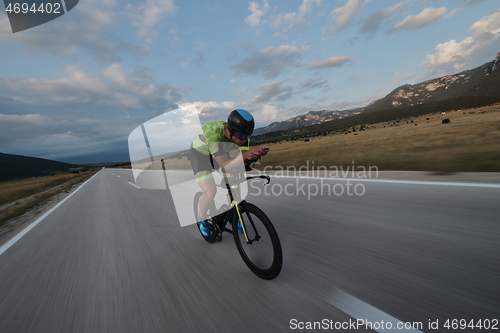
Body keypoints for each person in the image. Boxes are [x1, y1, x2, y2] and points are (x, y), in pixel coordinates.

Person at [189, 109, 268, 236]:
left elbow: (242, 161)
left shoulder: (242, 135)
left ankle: (233, 214)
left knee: (234, 178)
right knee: (210, 192)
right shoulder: (213, 133)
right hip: (199, 155)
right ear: (231, 131)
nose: (244, 139)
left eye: (248, 135)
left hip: (219, 152)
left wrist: (254, 155)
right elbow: (224, 164)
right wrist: (246, 155)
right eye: (241, 136)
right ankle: (202, 218)